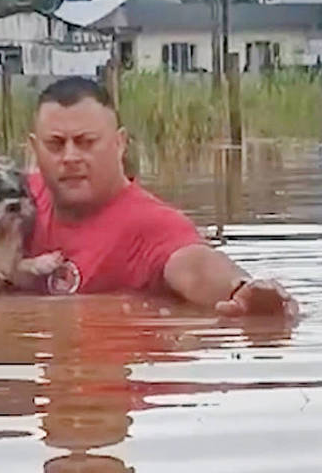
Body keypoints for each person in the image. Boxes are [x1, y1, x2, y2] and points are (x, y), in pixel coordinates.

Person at [24, 76, 298, 318]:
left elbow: (194, 265)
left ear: (119, 144)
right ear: (35, 148)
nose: (70, 157)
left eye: (86, 142)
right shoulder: (11, 202)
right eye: (55, 145)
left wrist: (241, 290)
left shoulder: (150, 224)